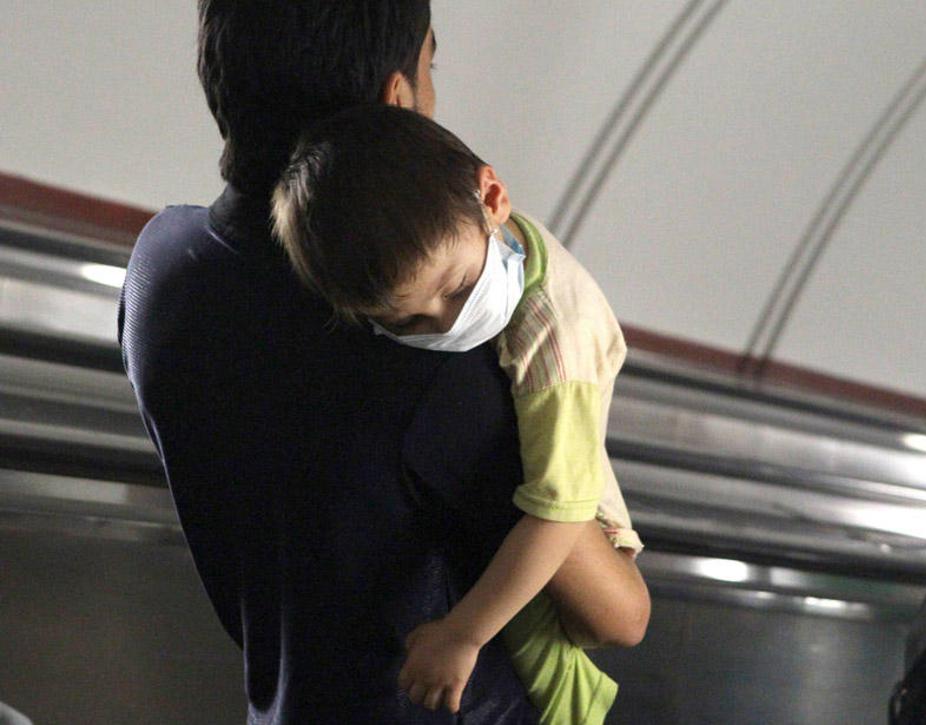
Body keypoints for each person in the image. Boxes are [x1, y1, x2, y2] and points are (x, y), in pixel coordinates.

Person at [118, 3, 649, 723]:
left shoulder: (161, 270)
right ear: (395, 102)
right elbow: (617, 615)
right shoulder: (435, 357)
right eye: (432, 65)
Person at [271, 105, 643, 723]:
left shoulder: (556, 344)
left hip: (580, 504)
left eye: (457, 288)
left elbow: (561, 510)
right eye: (410, 322)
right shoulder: (462, 228)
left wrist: (462, 634)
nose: (448, 324)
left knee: (546, 653)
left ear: (492, 197)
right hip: (554, 491)